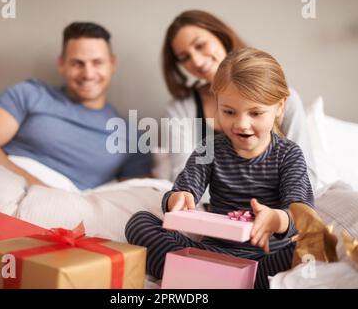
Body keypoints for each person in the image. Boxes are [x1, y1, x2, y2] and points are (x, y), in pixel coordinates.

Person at [126, 47, 314, 289]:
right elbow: (185, 188)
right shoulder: (210, 148)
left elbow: (302, 215)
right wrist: (178, 198)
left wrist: (276, 219)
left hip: (266, 258)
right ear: (217, 105)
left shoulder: (288, 154)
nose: (241, 124)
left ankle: (210, 278)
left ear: (279, 107)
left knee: (311, 247)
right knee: (139, 222)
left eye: (255, 113)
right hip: (211, 253)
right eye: (228, 111)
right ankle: (216, 277)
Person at [0, 22, 152, 190]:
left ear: (112, 64)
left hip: (60, 209)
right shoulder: (32, 94)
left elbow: (140, 196)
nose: (88, 74)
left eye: (97, 62)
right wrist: (36, 187)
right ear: (62, 63)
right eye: (77, 63)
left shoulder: (131, 136)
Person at [160, 10, 317, 190]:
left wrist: (272, 210)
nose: (196, 60)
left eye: (200, 45)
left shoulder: (285, 99)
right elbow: (183, 178)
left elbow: (306, 176)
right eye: (184, 57)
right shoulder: (180, 110)